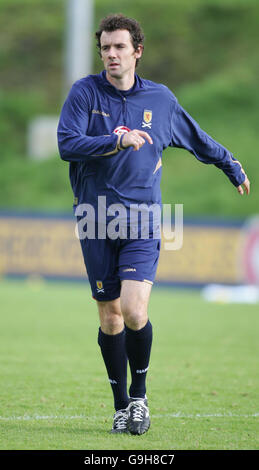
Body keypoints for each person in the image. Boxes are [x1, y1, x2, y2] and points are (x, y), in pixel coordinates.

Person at [57, 13, 250, 435]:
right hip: (95, 220)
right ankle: (121, 405)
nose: (111, 54)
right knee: (109, 318)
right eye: (105, 47)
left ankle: (140, 398)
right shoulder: (84, 93)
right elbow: (67, 145)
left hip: (143, 221)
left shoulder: (160, 100)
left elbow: (196, 137)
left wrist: (231, 165)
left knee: (133, 310)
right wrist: (115, 139)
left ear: (137, 52)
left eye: (119, 47)